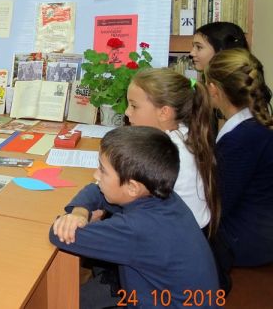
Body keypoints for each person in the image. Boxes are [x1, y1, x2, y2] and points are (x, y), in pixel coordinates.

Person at [50, 126, 219, 308]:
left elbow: (58, 234)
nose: (95, 174)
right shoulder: (161, 196)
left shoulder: (136, 229)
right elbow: (95, 189)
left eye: (102, 170)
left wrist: (72, 221)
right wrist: (79, 212)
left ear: (132, 187)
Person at [204, 49, 273, 272]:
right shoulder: (254, 125)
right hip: (257, 233)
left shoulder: (241, 139)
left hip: (244, 243)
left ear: (213, 89)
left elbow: (216, 207)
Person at [126, 68, 218, 231]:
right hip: (188, 232)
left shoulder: (167, 151)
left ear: (164, 112)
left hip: (179, 239)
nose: (127, 112)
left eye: (134, 106)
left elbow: (123, 191)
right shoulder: (183, 131)